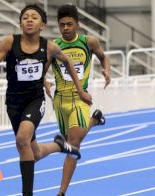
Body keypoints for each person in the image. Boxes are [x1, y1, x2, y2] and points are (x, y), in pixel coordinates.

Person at [0, 4, 92, 196]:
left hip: (35, 100)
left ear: (42, 25)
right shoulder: (9, 42)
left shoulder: (49, 47)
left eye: (34, 17)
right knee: (35, 152)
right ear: (20, 23)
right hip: (14, 103)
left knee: (22, 139)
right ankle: (60, 145)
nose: (29, 20)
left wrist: (81, 91)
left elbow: (68, 63)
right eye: (25, 17)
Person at [46, 4, 111, 196]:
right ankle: (95, 120)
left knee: (73, 144)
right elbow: (42, 68)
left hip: (80, 98)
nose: (65, 28)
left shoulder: (89, 42)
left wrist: (107, 70)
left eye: (69, 24)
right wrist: (45, 82)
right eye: (62, 25)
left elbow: (103, 57)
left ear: (77, 24)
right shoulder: (53, 46)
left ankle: (61, 192)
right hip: (60, 101)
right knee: (69, 141)